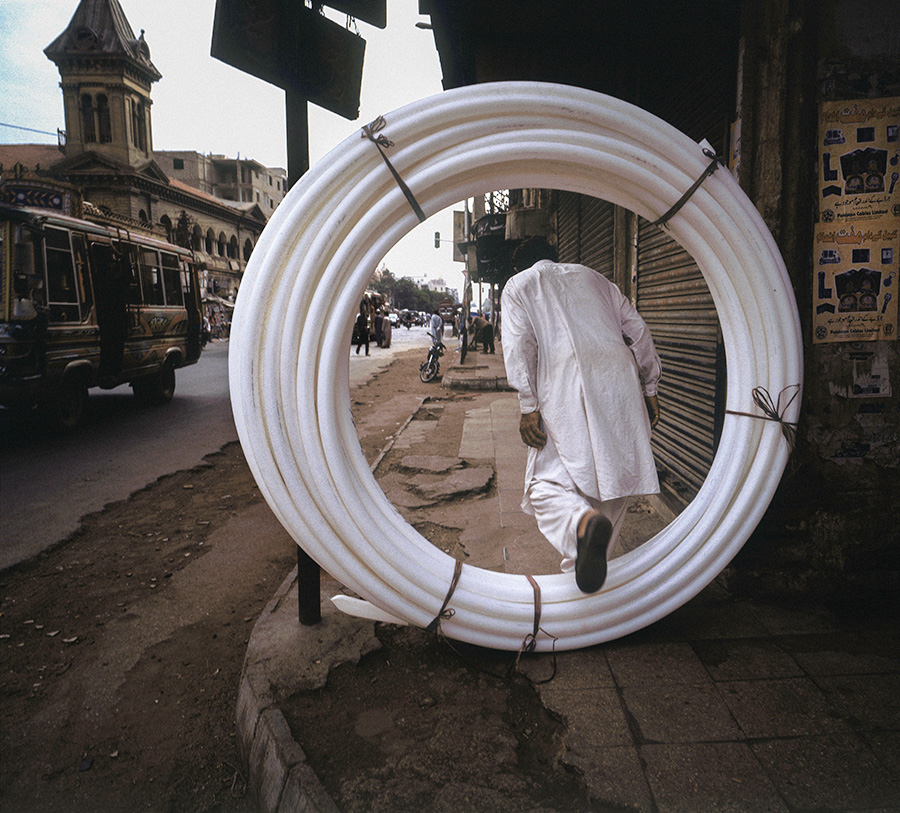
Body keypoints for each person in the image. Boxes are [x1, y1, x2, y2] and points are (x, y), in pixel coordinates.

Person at [501, 237, 661, 593]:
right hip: (620, 381)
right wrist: (650, 386)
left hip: (566, 383)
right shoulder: (596, 279)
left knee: (544, 484)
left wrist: (528, 406)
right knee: (613, 482)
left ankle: (581, 525)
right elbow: (638, 331)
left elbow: (518, 345)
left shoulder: (520, 284)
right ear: (556, 258)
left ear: (519, 266)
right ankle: (584, 582)